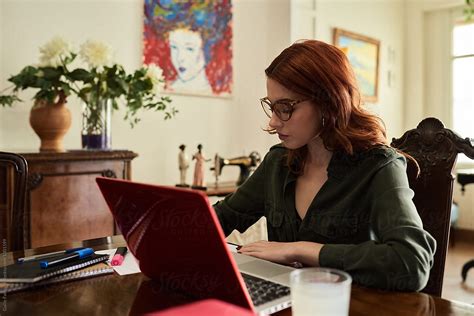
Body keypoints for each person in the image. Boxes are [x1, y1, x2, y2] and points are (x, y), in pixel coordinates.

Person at [213, 40, 436, 292]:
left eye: (285, 108)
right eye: (272, 107)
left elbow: (412, 263)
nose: (274, 121)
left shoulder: (379, 166)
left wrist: (301, 249)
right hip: (288, 302)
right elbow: (222, 218)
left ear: (328, 103)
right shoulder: (277, 162)